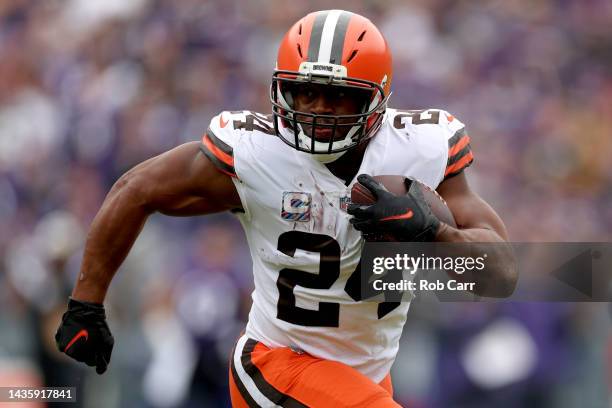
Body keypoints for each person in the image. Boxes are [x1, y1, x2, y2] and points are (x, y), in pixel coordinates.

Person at [55, 10, 515, 407]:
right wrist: (86, 304)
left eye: (338, 95)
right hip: (275, 364)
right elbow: (136, 189)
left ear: (375, 98)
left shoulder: (420, 150)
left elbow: (500, 273)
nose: (318, 109)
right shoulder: (257, 154)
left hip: (362, 377)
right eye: (305, 92)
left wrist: (434, 233)